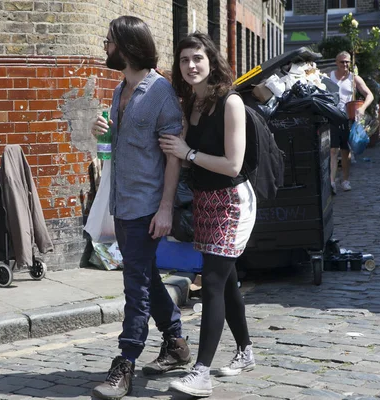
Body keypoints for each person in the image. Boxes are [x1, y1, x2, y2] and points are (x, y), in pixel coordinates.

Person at [90, 15, 190, 400]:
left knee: (136, 287)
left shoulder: (161, 93)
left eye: (109, 41)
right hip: (123, 202)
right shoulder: (119, 91)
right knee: (145, 275)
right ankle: (176, 342)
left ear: (129, 47)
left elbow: (172, 159)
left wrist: (165, 209)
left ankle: (125, 361)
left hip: (148, 206)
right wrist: (104, 132)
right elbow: (121, 144)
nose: (105, 47)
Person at [158, 32, 256, 398]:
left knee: (212, 283)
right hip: (204, 201)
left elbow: (233, 165)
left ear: (211, 61)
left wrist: (188, 154)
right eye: (184, 60)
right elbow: (174, 147)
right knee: (225, 282)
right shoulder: (190, 105)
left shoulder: (230, 102)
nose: (191, 65)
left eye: (197, 58)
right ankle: (246, 351)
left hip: (232, 202)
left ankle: (201, 372)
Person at [329, 51, 373, 192]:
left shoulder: (354, 78)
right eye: (342, 62)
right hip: (332, 117)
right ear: (337, 63)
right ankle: (332, 181)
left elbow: (369, 95)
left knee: (345, 151)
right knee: (333, 150)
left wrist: (363, 108)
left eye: (347, 62)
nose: (345, 64)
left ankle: (345, 180)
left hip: (348, 119)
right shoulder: (329, 77)